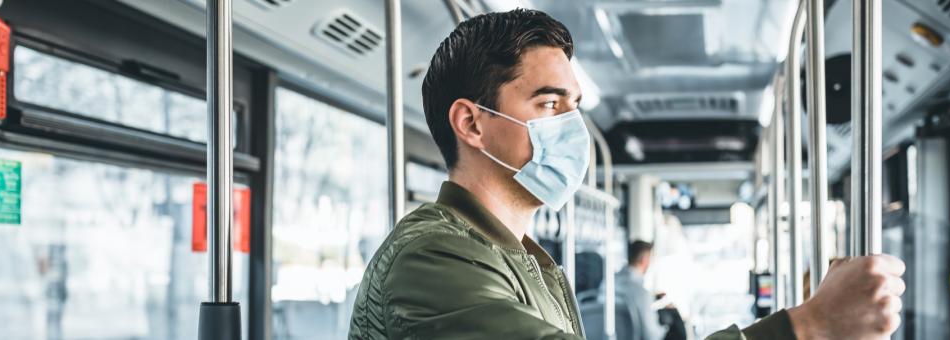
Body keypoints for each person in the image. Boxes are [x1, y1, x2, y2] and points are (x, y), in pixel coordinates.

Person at [348, 9, 906, 340]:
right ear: (471, 122)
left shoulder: (523, 259)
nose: (573, 128)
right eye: (549, 104)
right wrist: (807, 325)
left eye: (575, 106)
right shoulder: (429, 257)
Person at [614, 241, 667, 340]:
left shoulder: (608, 284)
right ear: (644, 259)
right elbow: (652, 336)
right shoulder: (641, 293)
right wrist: (666, 328)